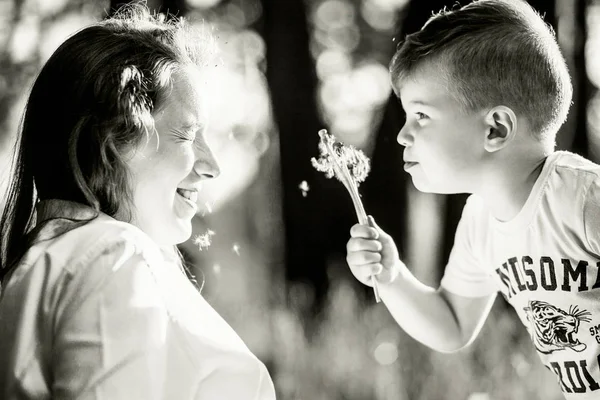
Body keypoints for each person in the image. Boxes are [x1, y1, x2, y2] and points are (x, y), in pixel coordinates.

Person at [0, 4, 276, 400]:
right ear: (114, 140)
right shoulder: (114, 255)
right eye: (186, 135)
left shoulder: (35, 264)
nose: (213, 165)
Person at [346, 0, 600, 398]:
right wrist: (393, 278)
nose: (402, 135)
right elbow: (452, 325)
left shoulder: (582, 197)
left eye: (422, 116)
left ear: (495, 129)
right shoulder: (481, 222)